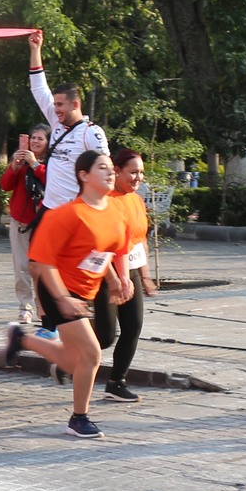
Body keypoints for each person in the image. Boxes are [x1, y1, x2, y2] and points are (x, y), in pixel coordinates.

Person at [4, 149, 132, 438]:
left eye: (111, 168)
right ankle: (79, 418)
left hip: (85, 291)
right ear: (84, 175)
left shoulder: (116, 211)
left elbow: (107, 251)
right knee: (92, 354)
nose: (110, 172)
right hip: (57, 289)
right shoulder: (67, 214)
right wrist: (62, 298)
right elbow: (42, 263)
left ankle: (22, 339)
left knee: (74, 361)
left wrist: (115, 280)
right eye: (102, 167)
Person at [95, 149, 160, 403]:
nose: (138, 178)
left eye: (141, 172)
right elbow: (100, 248)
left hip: (129, 271)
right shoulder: (105, 200)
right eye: (133, 172)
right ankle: (67, 353)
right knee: (105, 336)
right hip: (105, 273)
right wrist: (113, 279)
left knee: (133, 326)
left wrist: (145, 276)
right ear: (117, 171)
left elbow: (139, 240)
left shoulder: (136, 200)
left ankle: (116, 382)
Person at [25, 31, 109, 211]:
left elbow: (106, 172)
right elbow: (39, 88)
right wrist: (35, 49)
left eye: (60, 105)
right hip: (49, 207)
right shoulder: (57, 121)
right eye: (55, 104)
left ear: (75, 104)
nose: (55, 109)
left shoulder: (91, 133)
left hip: (74, 210)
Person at [0, 126, 49, 325]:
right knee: (21, 267)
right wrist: (15, 165)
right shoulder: (21, 163)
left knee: (42, 269)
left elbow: (52, 183)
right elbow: (5, 185)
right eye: (33, 138)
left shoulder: (53, 162)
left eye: (40, 139)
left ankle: (43, 307)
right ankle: (25, 307)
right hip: (20, 222)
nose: (35, 142)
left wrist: (36, 164)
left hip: (44, 223)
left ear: (48, 143)